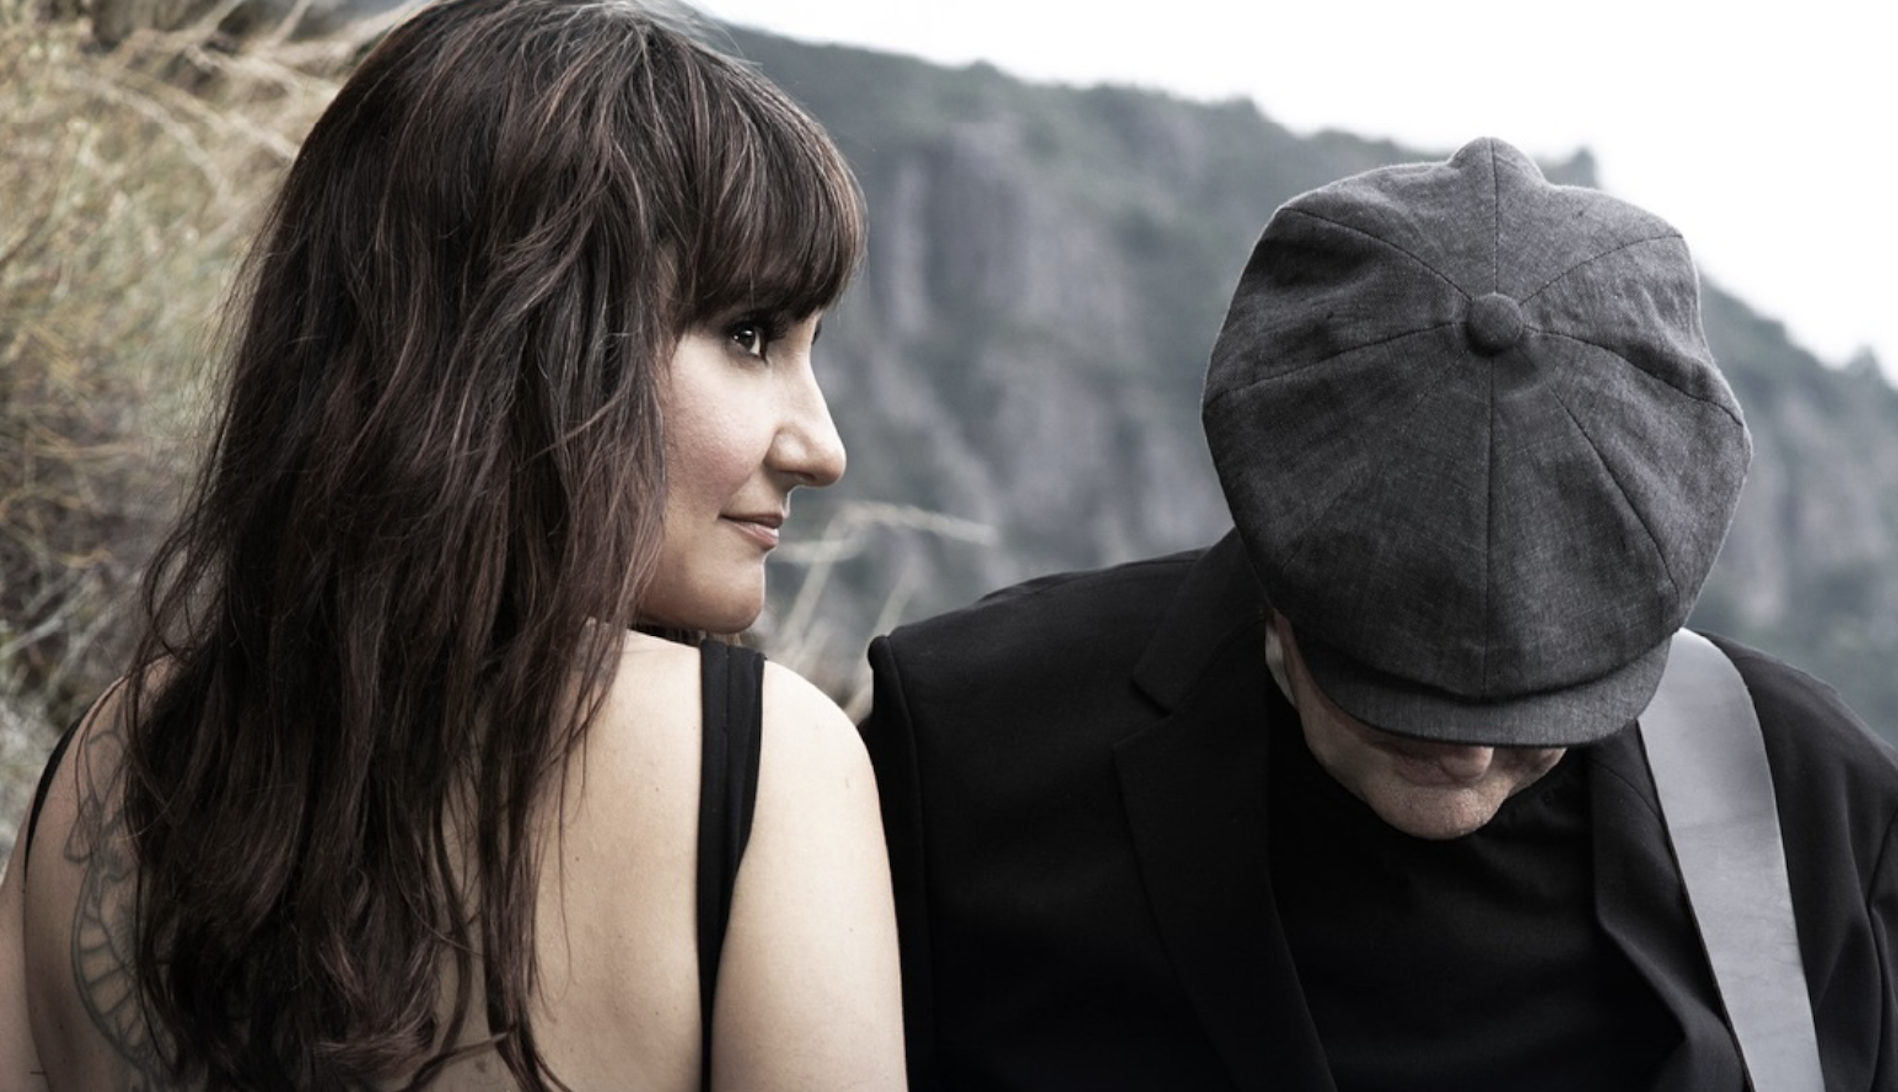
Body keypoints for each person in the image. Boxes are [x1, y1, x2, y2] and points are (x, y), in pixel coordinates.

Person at [862, 137, 1898, 1090]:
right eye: (1398, 695)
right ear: (1275, 563)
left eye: (1539, 707)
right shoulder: (962, 748)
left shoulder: (1815, 801)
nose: (1467, 756)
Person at [0, 1, 905, 1088]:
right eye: (747, 335)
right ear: (524, 345)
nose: (821, 449)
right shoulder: (759, 763)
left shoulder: (101, 773)